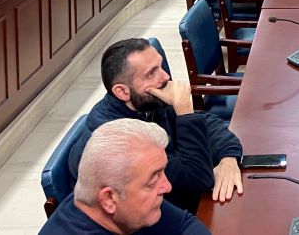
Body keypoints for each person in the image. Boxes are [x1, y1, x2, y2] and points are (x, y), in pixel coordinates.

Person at [67, 39, 244, 214]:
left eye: (160, 66)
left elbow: (207, 122)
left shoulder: (145, 103)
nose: (165, 77)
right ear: (122, 92)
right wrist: (185, 113)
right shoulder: (121, 143)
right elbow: (198, 179)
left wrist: (228, 158)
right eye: (151, 73)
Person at [41, 118, 210, 235]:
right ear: (109, 199)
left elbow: (184, 224)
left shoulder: (124, 205)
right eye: (153, 180)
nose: (167, 186)